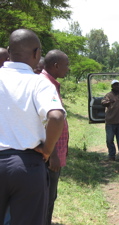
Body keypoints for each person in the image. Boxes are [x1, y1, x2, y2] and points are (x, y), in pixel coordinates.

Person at [0, 29, 65, 225]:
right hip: (27, 166)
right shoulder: (39, 83)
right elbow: (56, 116)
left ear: (10, 51)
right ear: (37, 54)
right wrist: (47, 149)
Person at [41, 49, 70, 225]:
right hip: (49, 157)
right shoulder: (44, 84)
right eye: (66, 65)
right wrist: (52, 154)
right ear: (56, 65)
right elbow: (42, 122)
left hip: (54, 154)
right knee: (47, 199)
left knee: (51, 197)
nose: (68, 69)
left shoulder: (51, 84)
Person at [101, 80, 119, 161]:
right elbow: (103, 103)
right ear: (112, 86)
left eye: (117, 85)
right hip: (111, 122)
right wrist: (110, 102)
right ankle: (111, 155)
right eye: (114, 85)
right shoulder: (109, 95)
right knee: (110, 140)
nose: (116, 86)